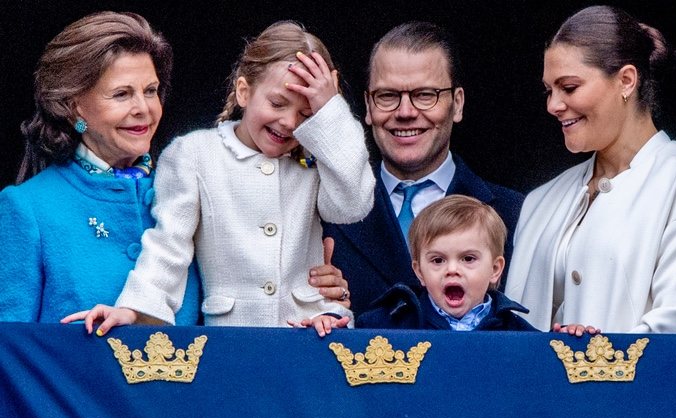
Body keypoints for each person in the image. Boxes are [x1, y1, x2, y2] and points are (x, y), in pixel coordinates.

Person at [63, 21, 375, 335]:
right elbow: (169, 244)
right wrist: (135, 308)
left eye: (307, 114)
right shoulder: (194, 154)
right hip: (233, 338)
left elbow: (352, 205)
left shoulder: (318, 159)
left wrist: (331, 114)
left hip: (314, 330)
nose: (289, 122)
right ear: (243, 91)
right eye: (277, 103)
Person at [504, 5, 676, 334]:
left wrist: (596, 364)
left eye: (568, 87)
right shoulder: (540, 200)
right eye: (549, 90)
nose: (553, 105)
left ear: (626, 80)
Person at [0, 12, 200, 324]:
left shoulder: (191, 193)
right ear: (74, 106)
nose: (144, 109)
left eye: (150, 91)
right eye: (122, 94)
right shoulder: (28, 208)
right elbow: (12, 350)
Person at [322, 21, 524, 317]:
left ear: (457, 104)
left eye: (425, 95)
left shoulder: (516, 215)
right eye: (387, 96)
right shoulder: (327, 213)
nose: (405, 112)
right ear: (367, 106)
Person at [349, 194, 596, 335]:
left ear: (495, 270)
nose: (452, 269)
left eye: (468, 259)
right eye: (437, 260)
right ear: (419, 272)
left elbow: (542, 378)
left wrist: (564, 344)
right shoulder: (386, 325)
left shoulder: (517, 332)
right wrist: (332, 324)